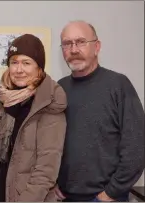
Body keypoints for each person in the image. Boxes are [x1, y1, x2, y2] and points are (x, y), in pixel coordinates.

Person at [54, 20, 145, 202]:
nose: (73, 49)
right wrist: (53, 182)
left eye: (81, 42)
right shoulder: (59, 89)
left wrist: (111, 193)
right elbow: (50, 142)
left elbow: (136, 146)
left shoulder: (118, 85)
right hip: (65, 197)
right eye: (67, 43)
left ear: (96, 46)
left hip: (107, 198)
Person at [0, 34, 67, 202]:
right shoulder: (1, 100)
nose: (19, 69)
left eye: (26, 63)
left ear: (39, 68)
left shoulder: (48, 104)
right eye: (14, 62)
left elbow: (45, 172)